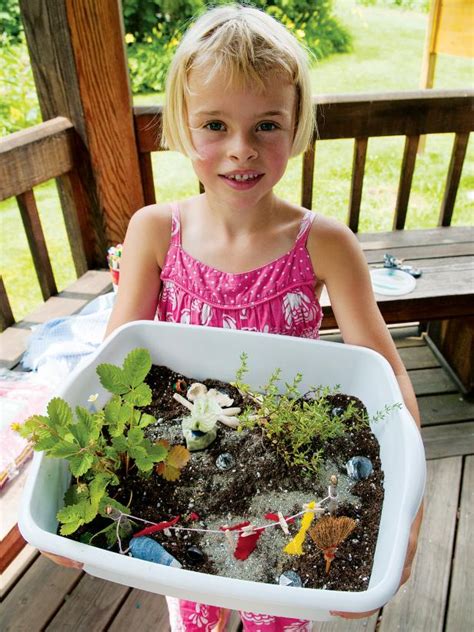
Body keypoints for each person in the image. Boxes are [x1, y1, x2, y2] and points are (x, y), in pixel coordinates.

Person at [47, 4, 423, 631]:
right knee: (198, 612)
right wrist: (65, 489)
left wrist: (406, 513)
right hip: (182, 478)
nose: (241, 151)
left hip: (287, 476)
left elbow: (386, 380)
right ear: (180, 125)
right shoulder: (154, 232)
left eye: (267, 125)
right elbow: (109, 374)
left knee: (277, 609)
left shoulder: (326, 244)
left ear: (297, 123)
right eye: (214, 124)